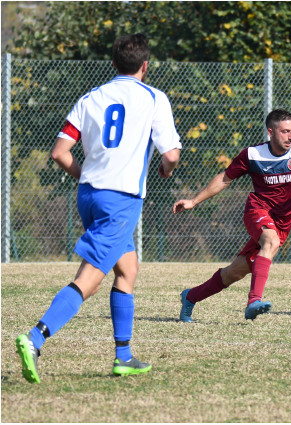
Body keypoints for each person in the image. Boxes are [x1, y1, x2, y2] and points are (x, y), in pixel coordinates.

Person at [15, 33, 182, 383]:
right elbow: (170, 155)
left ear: (113, 64)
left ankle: (123, 356)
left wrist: (84, 175)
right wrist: (167, 168)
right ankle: (34, 338)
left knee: (128, 270)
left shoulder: (90, 97)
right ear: (145, 66)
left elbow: (60, 152)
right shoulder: (154, 98)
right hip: (120, 200)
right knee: (88, 280)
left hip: (89, 195)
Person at [173, 109, 291, 321]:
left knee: (235, 272)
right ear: (270, 132)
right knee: (271, 240)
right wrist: (193, 201)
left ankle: (190, 297)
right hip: (258, 210)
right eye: (285, 131)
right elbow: (225, 178)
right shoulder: (253, 155)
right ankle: (253, 301)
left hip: (283, 223)